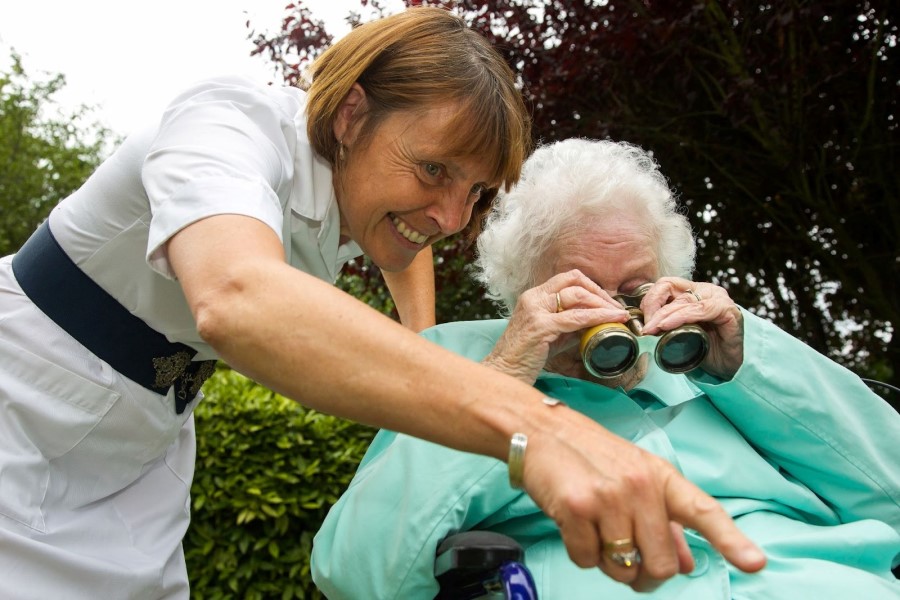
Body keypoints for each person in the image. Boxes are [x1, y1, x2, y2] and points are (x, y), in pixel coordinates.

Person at [0, 7, 767, 597]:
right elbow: (238, 299)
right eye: (433, 170)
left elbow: (416, 252)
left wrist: (428, 350)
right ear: (352, 114)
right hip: (21, 403)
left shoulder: (367, 200)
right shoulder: (226, 124)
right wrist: (540, 428)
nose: (451, 217)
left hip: (147, 445)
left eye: (475, 192)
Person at [310, 138, 900, 599]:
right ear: (525, 285)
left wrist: (751, 359)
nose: (612, 316)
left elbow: (889, 494)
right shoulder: (461, 356)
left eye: (634, 289)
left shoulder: (711, 357)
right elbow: (361, 572)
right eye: (582, 290)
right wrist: (501, 382)